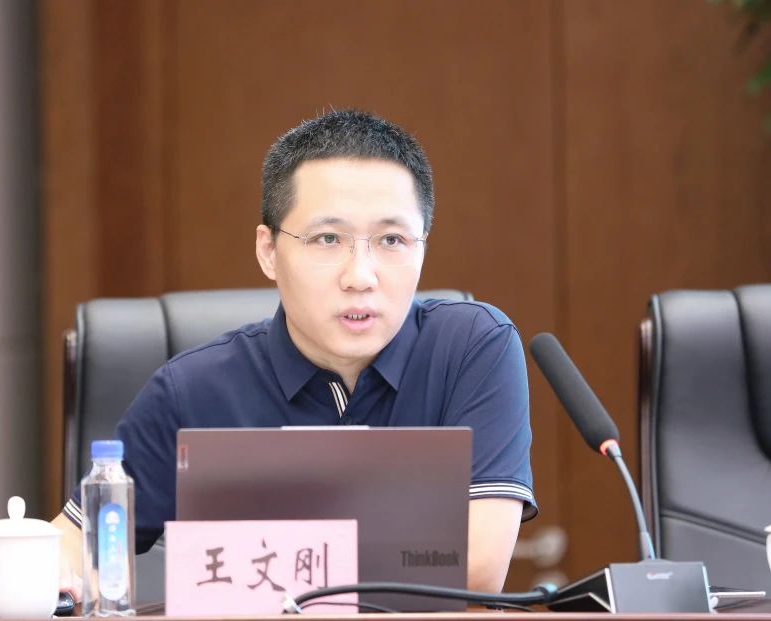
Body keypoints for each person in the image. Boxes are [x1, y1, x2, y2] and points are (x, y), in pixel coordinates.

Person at [53, 109, 536, 595]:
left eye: (392, 239)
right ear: (268, 251)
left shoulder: (471, 350)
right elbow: (72, 545)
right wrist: (51, 571)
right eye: (328, 239)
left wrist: (244, 567)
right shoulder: (192, 392)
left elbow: (479, 567)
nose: (361, 277)